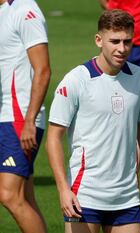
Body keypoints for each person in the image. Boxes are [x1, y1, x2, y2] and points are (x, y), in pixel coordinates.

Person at [46, 10, 140, 233]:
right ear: (99, 40)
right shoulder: (76, 80)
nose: (122, 49)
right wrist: (63, 190)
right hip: (84, 195)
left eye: (127, 41)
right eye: (114, 41)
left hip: (126, 197)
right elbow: (53, 138)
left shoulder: (139, 77)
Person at [0, 0, 51, 232]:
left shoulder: (25, 10)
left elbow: (43, 70)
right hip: (5, 116)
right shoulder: (4, 11)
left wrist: (29, 121)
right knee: (25, 197)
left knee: (9, 194)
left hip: (20, 117)